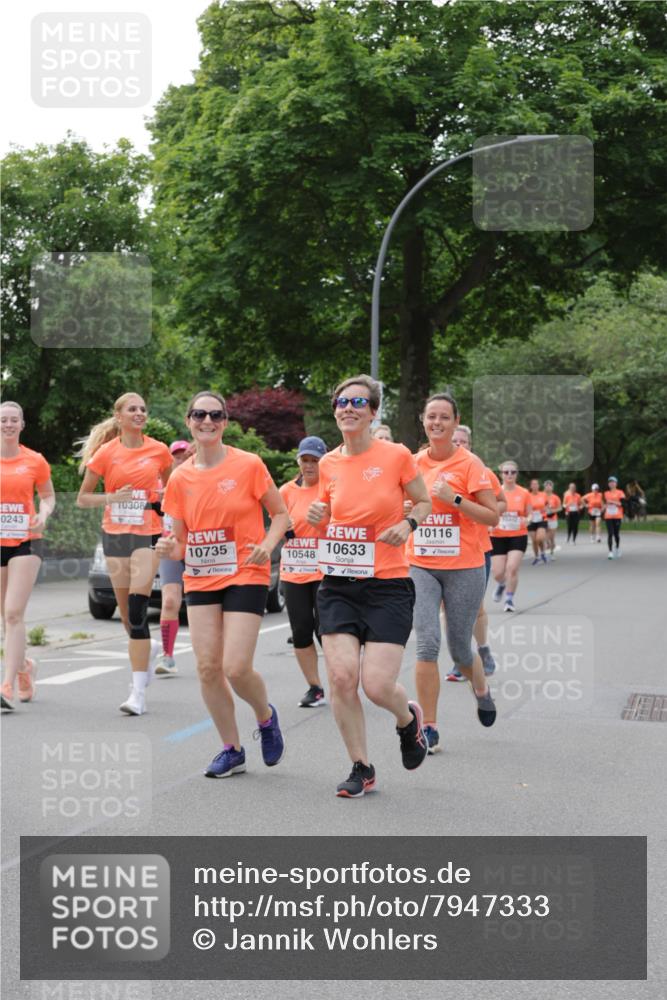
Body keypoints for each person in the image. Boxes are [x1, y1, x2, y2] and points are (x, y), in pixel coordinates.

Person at [307, 374, 431, 798]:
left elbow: (426, 501)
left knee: (376, 686)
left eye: (358, 402)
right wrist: (318, 515)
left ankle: (407, 720)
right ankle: (361, 766)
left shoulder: (396, 455)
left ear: (373, 411)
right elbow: (329, 518)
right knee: (341, 678)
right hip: (339, 583)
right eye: (342, 402)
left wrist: (407, 523)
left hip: (388, 584)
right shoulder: (328, 464)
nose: (348, 408)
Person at [158, 391, 289, 778]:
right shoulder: (179, 479)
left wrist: (267, 545)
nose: (207, 421)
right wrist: (168, 546)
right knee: (207, 667)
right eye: (199, 414)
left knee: (235, 666)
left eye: (215, 415)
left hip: (246, 571)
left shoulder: (248, 465)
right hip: (201, 575)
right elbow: (178, 542)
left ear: (225, 422)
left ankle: (265, 717)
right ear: (189, 420)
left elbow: (280, 514)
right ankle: (231, 749)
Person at [407, 399, 499, 753]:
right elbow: (403, 504)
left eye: (445, 417)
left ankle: (480, 689)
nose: (437, 422)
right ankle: (428, 725)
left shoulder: (470, 464)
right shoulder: (413, 463)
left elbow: (492, 517)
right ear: (423, 421)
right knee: (427, 642)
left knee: (460, 647)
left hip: (465, 566)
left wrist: (456, 499)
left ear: (456, 421)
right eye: (431, 416)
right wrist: (406, 509)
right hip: (421, 562)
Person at [77, 393, 172, 716]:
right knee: (128, 621)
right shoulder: (106, 453)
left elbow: (172, 492)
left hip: (147, 533)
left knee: (136, 609)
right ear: (119, 416)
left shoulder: (159, 450)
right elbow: (82, 498)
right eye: (132, 409)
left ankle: (137, 694)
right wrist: (112, 497)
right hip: (115, 535)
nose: (139, 413)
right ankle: (150, 648)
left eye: (143, 409)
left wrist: (163, 499)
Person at [1, 402, 56, 710]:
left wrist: (43, 514)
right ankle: (25, 668)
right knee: (5, 618)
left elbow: (47, 496)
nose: (8, 424)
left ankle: (6, 685)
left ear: (22, 425)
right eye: (3, 420)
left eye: (13, 420)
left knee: (13, 614)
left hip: (27, 540)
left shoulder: (34, 460)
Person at [446, 424, 506, 684]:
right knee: (450, 609)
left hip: (476, 549)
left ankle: (480, 649)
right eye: (455, 441)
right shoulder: (432, 470)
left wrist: (484, 512)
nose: (459, 445)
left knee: (473, 607)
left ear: (470, 445)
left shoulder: (479, 470)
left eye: (464, 442)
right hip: (443, 553)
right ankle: (462, 658)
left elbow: (501, 501)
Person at [279, 436, 328, 708]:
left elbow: (342, 525)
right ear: (298, 461)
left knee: (326, 631)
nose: (309, 466)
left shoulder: (330, 489)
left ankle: (342, 679)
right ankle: (315, 687)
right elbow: (277, 521)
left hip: (324, 571)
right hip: (294, 572)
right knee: (300, 631)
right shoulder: (286, 491)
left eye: (315, 461)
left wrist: (322, 523)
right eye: (305, 460)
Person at [154, 440, 193, 677]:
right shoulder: (158, 487)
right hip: (170, 547)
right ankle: (168, 657)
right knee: (169, 601)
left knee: (208, 603)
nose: (180, 461)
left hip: (198, 548)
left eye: (184, 457)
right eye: (175, 457)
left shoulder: (197, 480)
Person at [490, 461, 531, 612]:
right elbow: (489, 512)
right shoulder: (494, 493)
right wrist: (489, 523)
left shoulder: (524, 493)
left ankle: (509, 599)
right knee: (498, 572)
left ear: (517, 474)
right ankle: (501, 584)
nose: (509, 475)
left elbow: (530, 513)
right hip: (497, 535)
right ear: (501, 474)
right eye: (506, 472)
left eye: (513, 472)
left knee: (512, 568)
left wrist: (528, 519)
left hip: (518, 535)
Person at [603, 475, 625, 559]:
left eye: (613, 482)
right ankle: (610, 552)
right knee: (610, 534)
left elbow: (622, 504)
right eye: (610, 482)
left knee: (616, 534)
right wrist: (604, 506)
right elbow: (604, 504)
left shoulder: (620, 492)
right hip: (608, 516)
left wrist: (613, 502)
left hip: (617, 515)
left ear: (616, 483)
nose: (611, 484)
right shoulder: (606, 493)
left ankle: (617, 548)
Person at [527, 478, 549, 565]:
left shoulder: (543, 495)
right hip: (531, 520)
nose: (535, 486)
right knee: (534, 541)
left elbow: (547, 505)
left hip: (542, 519)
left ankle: (543, 552)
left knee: (539, 538)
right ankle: (537, 557)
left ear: (538, 486)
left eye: (536, 484)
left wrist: (545, 509)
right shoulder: (527, 496)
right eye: (533, 484)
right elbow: (525, 507)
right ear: (531, 486)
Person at [543, 480, 562, 560]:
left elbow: (560, 508)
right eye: (546, 485)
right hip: (543, 518)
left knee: (551, 537)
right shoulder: (541, 496)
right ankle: (544, 553)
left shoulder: (555, 497)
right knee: (545, 537)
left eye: (550, 485)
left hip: (553, 519)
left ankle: (552, 553)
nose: (548, 487)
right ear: (544, 487)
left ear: (552, 487)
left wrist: (552, 511)